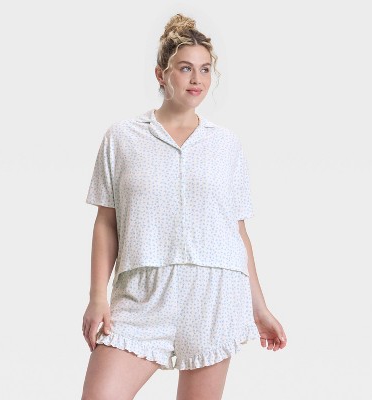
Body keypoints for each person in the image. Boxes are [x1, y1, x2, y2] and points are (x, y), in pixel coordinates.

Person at [81, 13, 287, 400]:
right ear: (161, 74)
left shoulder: (226, 145)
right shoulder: (122, 138)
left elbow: (237, 232)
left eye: (205, 69)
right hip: (142, 294)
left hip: (213, 295)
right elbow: (106, 222)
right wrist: (97, 297)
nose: (197, 79)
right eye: (185, 68)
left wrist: (259, 308)